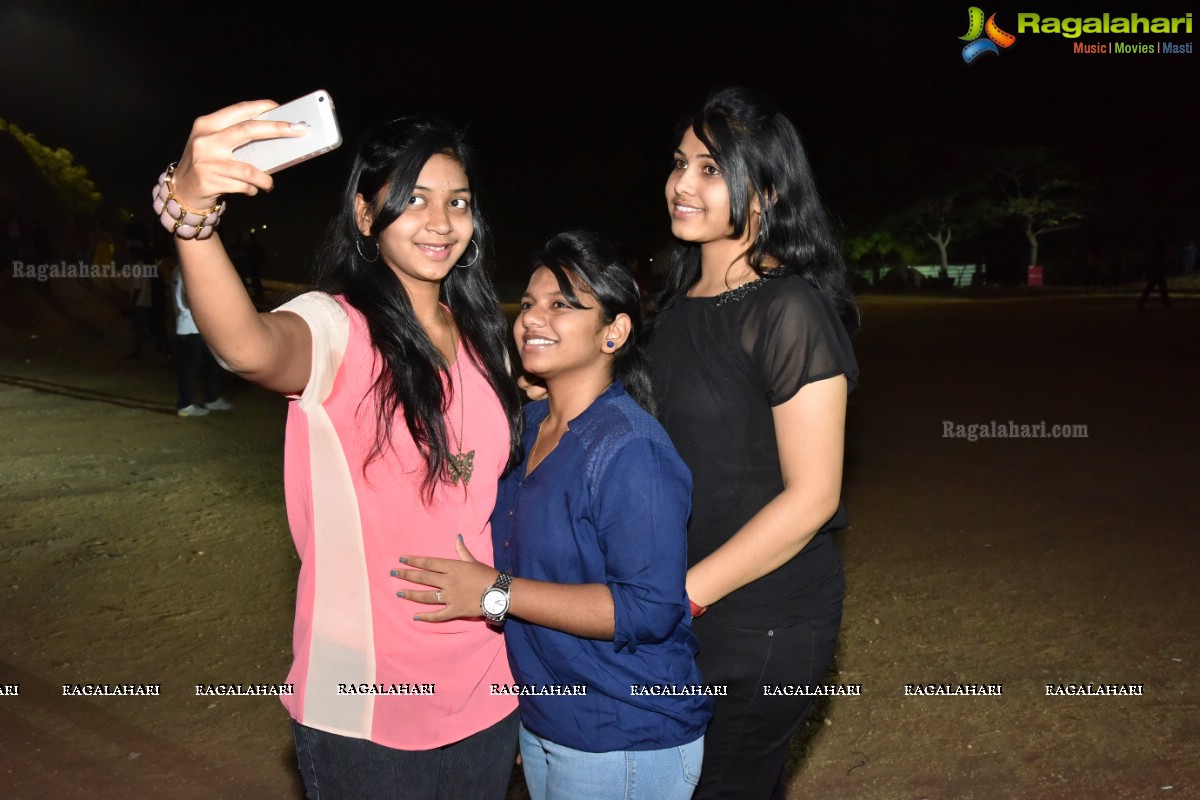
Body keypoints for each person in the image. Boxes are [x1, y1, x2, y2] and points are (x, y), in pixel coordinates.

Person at [159, 101, 523, 798]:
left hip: (486, 688)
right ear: (365, 215)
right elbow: (246, 346)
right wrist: (191, 214)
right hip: (368, 704)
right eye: (413, 200)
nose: (441, 221)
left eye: (458, 202)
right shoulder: (335, 327)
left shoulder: (483, 338)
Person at [396, 231, 711, 799]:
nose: (534, 318)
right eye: (532, 302)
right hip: (549, 724)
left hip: (624, 736)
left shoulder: (630, 451)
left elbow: (649, 608)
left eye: (563, 304)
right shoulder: (526, 431)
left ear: (614, 332)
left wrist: (495, 592)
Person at [649, 87, 860, 799]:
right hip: (685, 610)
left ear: (765, 191)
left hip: (763, 620)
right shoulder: (674, 309)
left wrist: (682, 599)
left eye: (711, 169)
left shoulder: (787, 308)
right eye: (680, 164)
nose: (682, 183)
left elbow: (813, 496)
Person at [170, 262, 229, 416]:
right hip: (192, 327)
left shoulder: (178, 269)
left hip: (191, 326)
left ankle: (210, 398)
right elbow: (190, 299)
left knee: (211, 361)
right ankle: (185, 405)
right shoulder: (187, 271)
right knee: (191, 367)